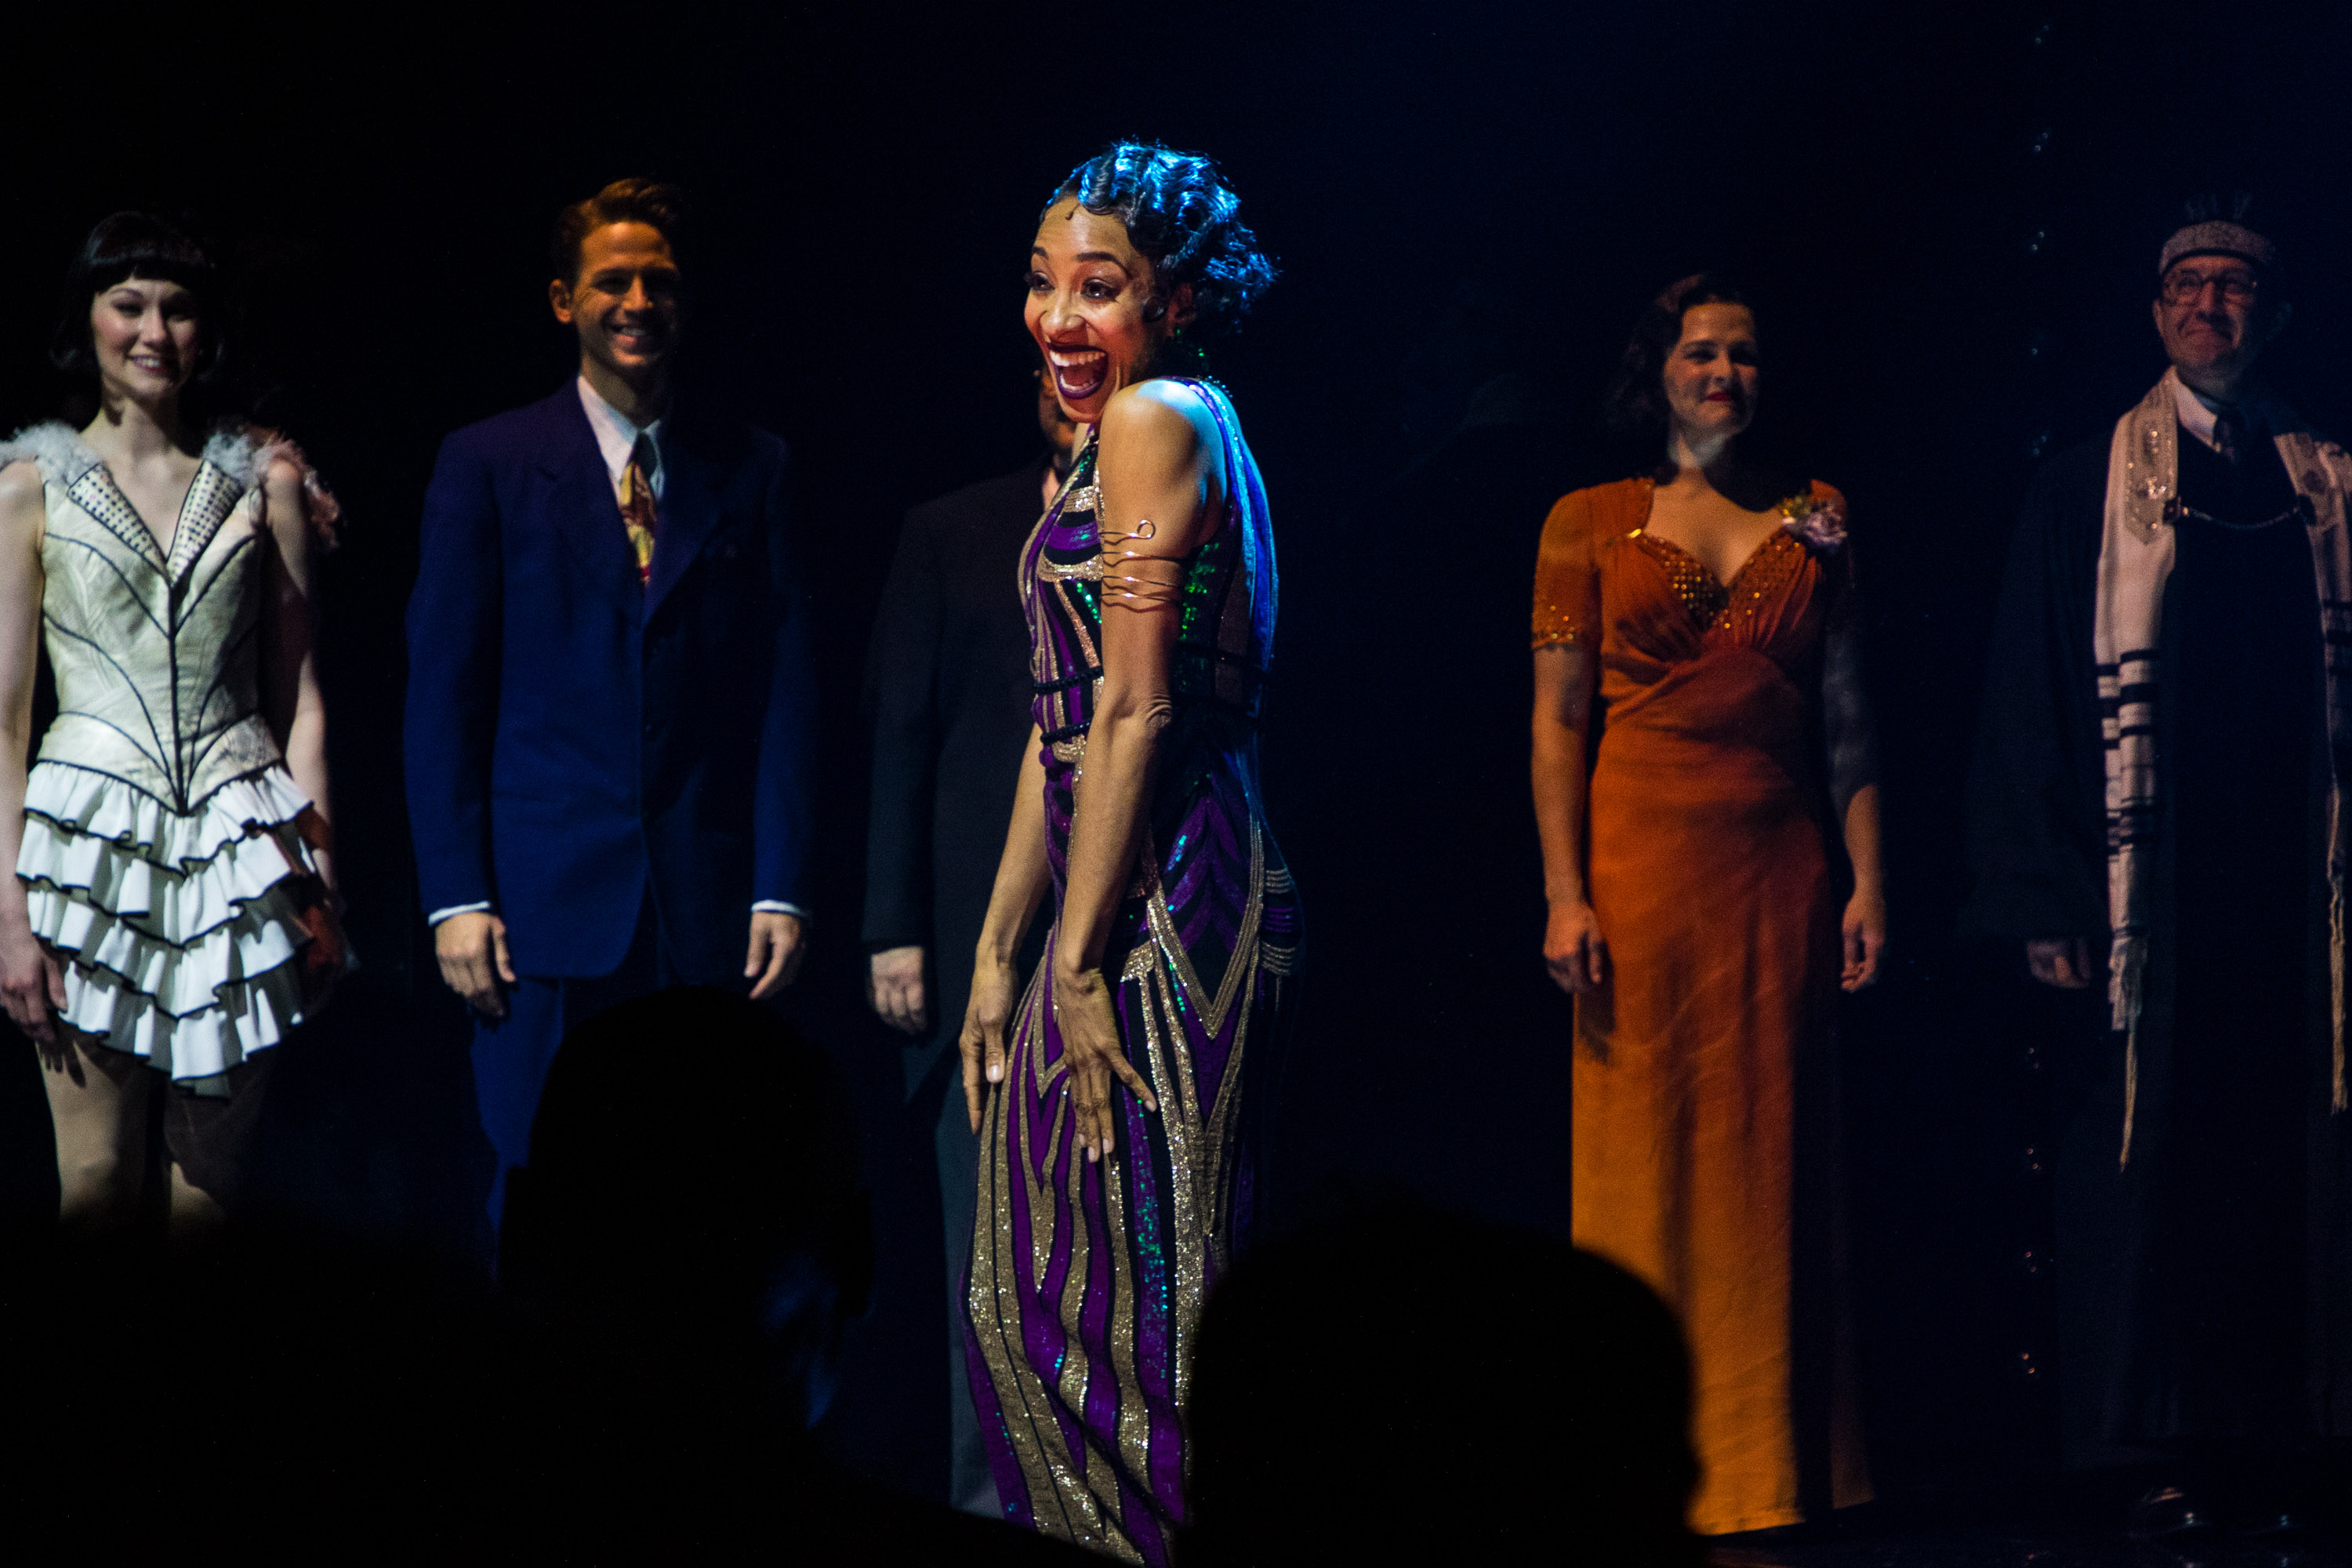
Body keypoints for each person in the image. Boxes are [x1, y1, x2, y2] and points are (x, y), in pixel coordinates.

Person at [1965, 205, 2352, 1534]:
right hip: (2147, 902)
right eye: (2186, 285)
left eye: (2233, 287)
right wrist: (2040, 892)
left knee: (2287, 1166)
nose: (2208, 304)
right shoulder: (2087, 486)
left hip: (2290, 900)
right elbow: (2027, 696)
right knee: (2148, 1166)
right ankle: (2150, 1450)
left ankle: (2286, 1445)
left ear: (2273, 317)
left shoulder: (2326, 487)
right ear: (2154, 315)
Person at [959, 142, 1295, 1564]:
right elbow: (1063, 726)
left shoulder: (1160, 416)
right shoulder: (1133, 435)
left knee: (1135, 1322)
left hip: (1171, 895)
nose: (1059, 318)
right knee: (1049, 1303)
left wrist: (1080, 958)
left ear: (1177, 301)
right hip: (1122, 889)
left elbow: (1138, 708)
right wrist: (1001, 949)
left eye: (1099, 288)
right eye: (1044, 285)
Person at [1530, 274, 1882, 1535]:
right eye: (1700, 353)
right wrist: (1564, 895)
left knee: (1768, 1165)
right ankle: (1629, 1466)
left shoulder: (1817, 517)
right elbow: (1558, 722)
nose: (1724, 373)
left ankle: (1766, 1472)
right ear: (1658, 372)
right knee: (1640, 1166)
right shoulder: (1587, 520)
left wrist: (1869, 880)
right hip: (1637, 880)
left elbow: (1849, 720)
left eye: (1742, 354)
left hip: (1776, 876)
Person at [403, 178, 816, 1236]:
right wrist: (456, 897)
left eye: (659, 282)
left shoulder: (751, 464)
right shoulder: (490, 463)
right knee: (541, 1186)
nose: (637, 302)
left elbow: (782, 695)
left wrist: (779, 885)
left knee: (694, 1199)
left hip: (700, 908)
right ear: (563, 301)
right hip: (539, 911)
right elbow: (444, 697)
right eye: (612, 281)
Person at [0, 212, 343, 1236]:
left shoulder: (264, 485)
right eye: (130, 305)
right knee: (96, 1184)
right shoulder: (27, 491)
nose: (155, 331)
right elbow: (4, 723)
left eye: (179, 309)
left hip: (239, 849)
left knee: (211, 1200)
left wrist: (322, 879)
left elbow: (302, 697)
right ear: (89, 320)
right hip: (87, 850)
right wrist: (9, 913)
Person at [863, 364, 1079, 1512]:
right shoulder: (953, 530)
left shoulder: (1174, 520)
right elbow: (899, 731)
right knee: (983, 1235)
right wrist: (893, 929)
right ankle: (984, 1496)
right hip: (968, 923)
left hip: (1110, 912)